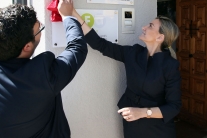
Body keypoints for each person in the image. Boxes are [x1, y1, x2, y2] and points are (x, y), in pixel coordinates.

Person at [0, 0, 87, 138]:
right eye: (39, 28)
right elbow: (77, 48)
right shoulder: (43, 75)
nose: (40, 27)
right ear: (26, 46)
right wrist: (67, 15)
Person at [72, 9, 181, 138]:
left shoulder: (170, 65)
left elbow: (174, 106)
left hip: (158, 129)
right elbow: (100, 44)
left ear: (160, 37)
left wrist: (143, 112)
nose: (144, 27)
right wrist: (73, 12)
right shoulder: (133, 53)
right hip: (133, 126)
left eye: (150, 26)